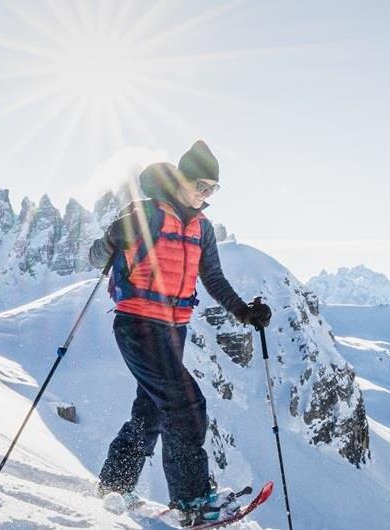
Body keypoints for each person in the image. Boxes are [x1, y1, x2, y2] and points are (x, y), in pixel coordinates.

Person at [88, 140, 272, 526]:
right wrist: (110, 240)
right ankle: (192, 501)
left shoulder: (202, 228)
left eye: (213, 189)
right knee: (185, 404)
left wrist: (244, 312)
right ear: (180, 179)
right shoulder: (147, 214)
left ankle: (114, 484)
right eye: (201, 185)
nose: (205, 195)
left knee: (152, 410)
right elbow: (95, 257)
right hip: (138, 322)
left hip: (175, 329)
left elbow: (214, 279)